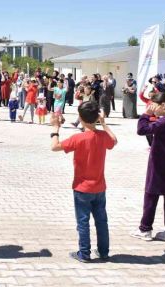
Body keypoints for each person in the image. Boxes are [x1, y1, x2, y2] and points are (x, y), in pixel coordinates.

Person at [51, 101, 117, 262]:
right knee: (102, 221)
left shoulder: (78, 138)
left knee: (83, 221)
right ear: (97, 117)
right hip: (99, 187)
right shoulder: (102, 136)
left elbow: (55, 147)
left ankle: (84, 253)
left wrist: (55, 128)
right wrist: (104, 124)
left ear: (80, 118)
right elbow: (114, 141)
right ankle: (103, 251)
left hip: (82, 188)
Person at [131, 92, 165, 244]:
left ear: (163, 106)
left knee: (151, 195)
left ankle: (145, 229)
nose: (152, 108)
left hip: (159, 163)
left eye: (154, 105)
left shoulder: (164, 122)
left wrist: (146, 114)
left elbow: (142, 130)